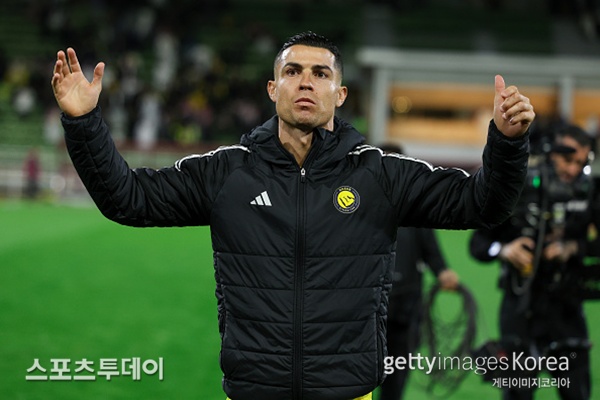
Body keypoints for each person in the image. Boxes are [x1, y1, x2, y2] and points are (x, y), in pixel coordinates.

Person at [51, 32, 534, 400]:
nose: (306, 82)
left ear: (340, 94)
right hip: (254, 389)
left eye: (321, 74)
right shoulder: (227, 172)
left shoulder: (381, 174)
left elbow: (482, 204)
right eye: (293, 71)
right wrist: (82, 121)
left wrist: (507, 143)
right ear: (272, 88)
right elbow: (128, 199)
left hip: (347, 391)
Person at [469, 124, 595, 400]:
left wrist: (573, 247)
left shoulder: (588, 194)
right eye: (567, 159)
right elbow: (478, 245)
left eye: (580, 162)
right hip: (520, 309)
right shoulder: (520, 190)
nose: (573, 169)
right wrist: (504, 250)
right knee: (518, 391)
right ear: (550, 154)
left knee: (577, 391)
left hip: (567, 311)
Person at [377, 144, 459, 400]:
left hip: (407, 301)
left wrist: (442, 270)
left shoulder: (414, 204)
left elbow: (429, 244)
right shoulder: (359, 203)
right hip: (369, 303)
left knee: (398, 369)